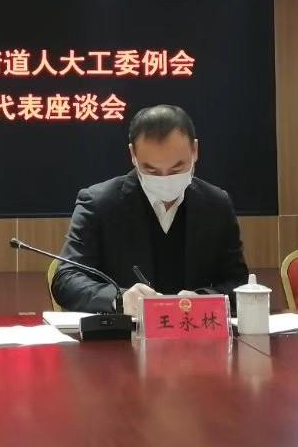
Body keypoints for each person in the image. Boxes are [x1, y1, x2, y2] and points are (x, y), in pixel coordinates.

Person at [53, 104, 248, 316]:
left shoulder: (216, 204)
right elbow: (66, 279)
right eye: (151, 170)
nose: (165, 179)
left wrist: (204, 299)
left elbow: (239, 283)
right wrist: (119, 299)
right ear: (133, 155)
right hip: (123, 333)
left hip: (194, 330)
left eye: (177, 168)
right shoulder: (100, 204)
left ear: (195, 151)